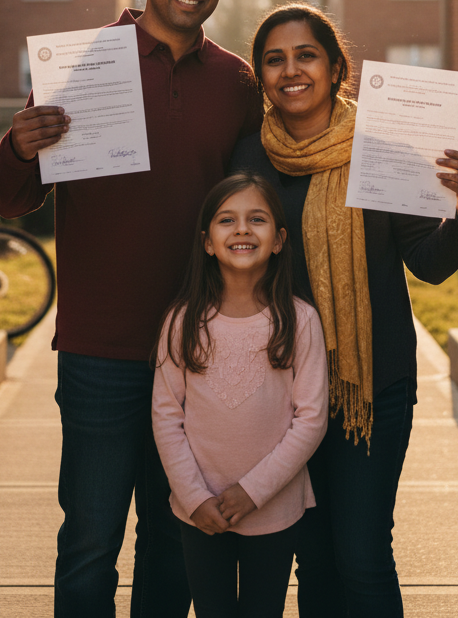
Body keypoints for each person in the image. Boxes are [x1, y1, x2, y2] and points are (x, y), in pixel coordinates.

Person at [0, 0, 263, 618]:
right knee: (88, 543)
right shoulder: (80, 65)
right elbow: (10, 201)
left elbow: (252, 212)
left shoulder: (236, 85)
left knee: (172, 545)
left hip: (195, 351)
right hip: (99, 350)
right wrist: (20, 146)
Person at [229, 2, 458, 618]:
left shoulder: (385, 145)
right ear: (261, 76)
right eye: (274, 59)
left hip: (374, 384)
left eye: (306, 55)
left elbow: (426, 262)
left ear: (338, 66)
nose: (291, 70)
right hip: (283, 388)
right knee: (313, 558)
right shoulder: (249, 158)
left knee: (362, 555)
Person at [152, 173, 329, 618]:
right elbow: (166, 416)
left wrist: (253, 492)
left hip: (273, 508)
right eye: (227, 220)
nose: (243, 230)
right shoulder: (182, 322)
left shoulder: (300, 320)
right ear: (208, 242)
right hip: (200, 511)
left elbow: (311, 420)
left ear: (279, 240)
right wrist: (193, 498)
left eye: (257, 219)